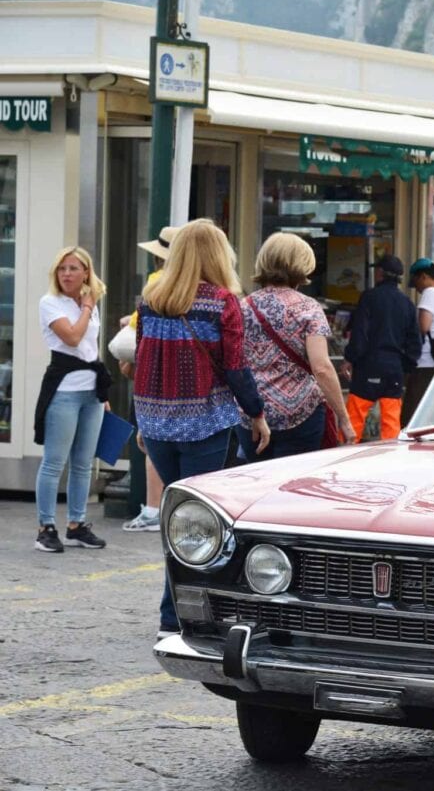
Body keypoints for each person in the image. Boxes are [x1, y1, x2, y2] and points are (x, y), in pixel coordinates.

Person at [134, 219, 270, 636]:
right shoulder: (222, 302)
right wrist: (257, 413)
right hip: (204, 422)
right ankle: (182, 616)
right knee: (200, 523)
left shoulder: (151, 299)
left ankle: (175, 614)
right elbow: (235, 367)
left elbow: (141, 361)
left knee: (178, 521)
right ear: (218, 254)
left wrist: (142, 419)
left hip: (156, 420)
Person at [237, 233, 355, 461]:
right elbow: (321, 367)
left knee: (257, 486)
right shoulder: (309, 308)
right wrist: (343, 417)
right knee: (294, 485)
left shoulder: (242, 307)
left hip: (252, 414)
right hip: (301, 414)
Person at [33, 246, 111, 552]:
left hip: (91, 392)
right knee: (54, 462)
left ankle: (77, 525)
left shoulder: (88, 302)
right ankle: (45, 527)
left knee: (83, 463)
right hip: (63, 392)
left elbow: (90, 349)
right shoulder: (50, 302)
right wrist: (88, 307)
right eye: (62, 268)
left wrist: (101, 392)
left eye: (73, 268)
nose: (67, 273)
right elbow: (73, 338)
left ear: (86, 273)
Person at [120, 225, 177, 533]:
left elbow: (137, 324)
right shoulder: (193, 284)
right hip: (178, 378)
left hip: (151, 375)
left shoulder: (157, 282)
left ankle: (152, 508)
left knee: (151, 446)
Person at [343, 255, 421, 440]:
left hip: (368, 365)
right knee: (391, 420)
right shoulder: (407, 304)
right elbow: (415, 343)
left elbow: (359, 334)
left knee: (355, 416)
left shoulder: (369, 298)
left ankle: (346, 453)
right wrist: (404, 366)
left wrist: (350, 358)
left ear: (379, 273)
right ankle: (391, 457)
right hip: (394, 368)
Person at [402, 258, 434, 427]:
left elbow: (424, 326)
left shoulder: (430, 293)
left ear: (424, 276)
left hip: (425, 362)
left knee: (413, 414)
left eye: (416, 281)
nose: (416, 288)